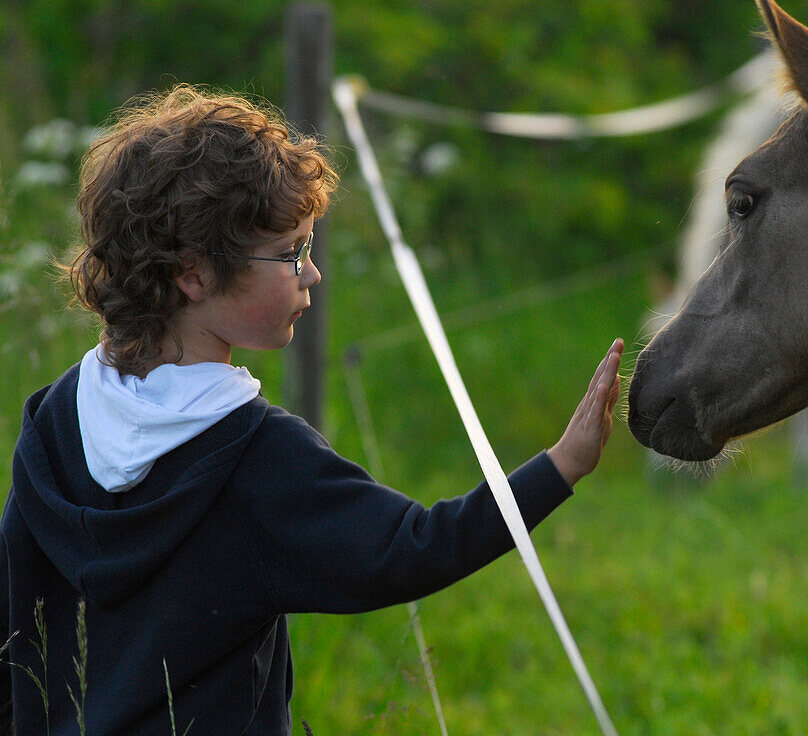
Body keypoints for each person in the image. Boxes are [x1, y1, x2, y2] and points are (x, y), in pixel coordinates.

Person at [2, 84, 624, 735]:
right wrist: (561, 465)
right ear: (194, 275)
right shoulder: (254, 456)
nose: (312, 273)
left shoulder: (57, 420)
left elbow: (6, 636)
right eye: (291, 253)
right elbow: (415, 549)